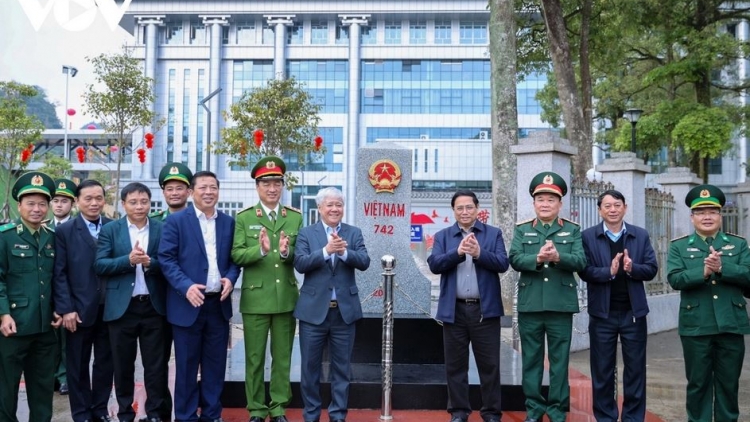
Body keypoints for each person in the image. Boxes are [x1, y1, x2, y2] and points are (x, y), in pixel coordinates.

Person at [159, 170, 241, 422]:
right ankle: (185, 416)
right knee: (186, 366)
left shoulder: (228, 222)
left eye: (213, 187)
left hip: (218, 305)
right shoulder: (176, 221)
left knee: (215, 365)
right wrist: (186, 287)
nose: (208, 192)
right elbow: (166, 258)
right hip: (187, 304)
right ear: (191, 192)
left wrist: (230, 277)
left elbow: (234, 260)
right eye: (203, 187)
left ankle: (211, 414)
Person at [667, 184, 750, 422]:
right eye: (701, 212)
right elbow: (674, 278)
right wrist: (702, 271)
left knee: (728, 384)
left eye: (712, 212)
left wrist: (723, 268)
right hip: (696, 326)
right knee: (698, 384)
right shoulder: (679, 246)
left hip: (730, 325)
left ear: (720, 215)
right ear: (692, 217)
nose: (707, 217)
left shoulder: (739, 244)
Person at [509, 172, 586, 422]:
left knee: (559, 362)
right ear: (534, 203)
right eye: (540, 199)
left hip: (560, 305)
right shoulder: (522, 230)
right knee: (530, 361)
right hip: (531, 305)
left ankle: (556, 410)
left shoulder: (572, 230)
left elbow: (581, 261)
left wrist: (558, 258)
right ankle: (533, 409)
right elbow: (515, 259)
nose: (545, 204)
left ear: (560, 204)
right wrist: (538, 259)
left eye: (551, 200)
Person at [427, 190, 509, 422]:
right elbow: (434, 264)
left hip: (485, 311)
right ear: (453, 210)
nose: (465, 211)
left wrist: (480, 253)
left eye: (469, 207)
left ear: (477, 208)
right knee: (455, 366)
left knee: (490, 365)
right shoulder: (443, 236)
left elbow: (503, 263)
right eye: (460, 208)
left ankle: (491, 412)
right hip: (454, 310)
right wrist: (459, 253)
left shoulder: (493, 234)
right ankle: (459, 411)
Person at [232, 156, 302, 422]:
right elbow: (236, 254)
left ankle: (279, 406)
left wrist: (287, 252)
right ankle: (257, 408)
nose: (272, 188)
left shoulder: (294, 217)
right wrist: (259, 250)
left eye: (277, 183)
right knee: (254, 357)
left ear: (282, 185)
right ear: (257, 186)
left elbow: (302, 254)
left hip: (285, 296)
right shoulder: (245, 217)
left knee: (282, 357)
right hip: (256, 298)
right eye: (266, 183)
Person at [94, 182, 172, 422]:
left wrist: (151, 263)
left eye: (144, 201)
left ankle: (156, 414)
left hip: (153, 306)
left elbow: (169, 262)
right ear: (123, 204)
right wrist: (127, 260)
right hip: (121, 308)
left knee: (156, 366)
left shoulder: (161, 228)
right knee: (122, 366)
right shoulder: (111, 230)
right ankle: (126, 413)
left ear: (150, 202)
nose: (139, 206)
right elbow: (100, 264)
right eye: (133, 202)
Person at [578, 190, 658, 422]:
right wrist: (609, 272)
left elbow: (652, 268)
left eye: (617, 205)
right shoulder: (588, 236)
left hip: (633, 314)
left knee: (635, 370)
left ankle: (633, 418)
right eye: (607, 206)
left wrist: (633, 268)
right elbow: (584, 270)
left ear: (625, 207)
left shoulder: (639, 235)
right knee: (602, 370)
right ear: (599, 210)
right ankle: (605, 417)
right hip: (603, 314)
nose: (612, 210)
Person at [293, 187, 371, 422]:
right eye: (330, 204)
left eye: (339, 204)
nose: (335, 208)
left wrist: (345, 253)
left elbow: (365, 261)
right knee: (309, 369)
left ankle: (338, 415)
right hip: (313, 313)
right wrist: (326, 251)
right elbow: (300, 263)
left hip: (344, 314)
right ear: (320, 208)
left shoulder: (353, 232)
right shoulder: (307, 233)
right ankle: (311, 415)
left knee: (342, 369)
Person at [0, 171, 62, 422]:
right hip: (13, 326)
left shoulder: (52, 238)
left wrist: (59, 307)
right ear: (19, 205)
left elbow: (56, 279)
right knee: (6, 389)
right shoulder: (6, 236)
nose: (37, 209)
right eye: (31, 204)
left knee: (43, 388)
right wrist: (3, 313)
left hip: (46, 326)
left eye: (42, 204)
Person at [53, 179, 115, 422]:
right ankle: (81, 413)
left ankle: (100, 410)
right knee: (77, 365)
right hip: (77, 312)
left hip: (110, 309)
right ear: (77, 201)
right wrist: (66, 308)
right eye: (87, 198)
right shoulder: (64, 231)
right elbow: (59, 273)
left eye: (98, 198)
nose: (94, 203)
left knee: (105, 364)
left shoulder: (114, 227)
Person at [51, 177, 77, 396]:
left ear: (73, 203)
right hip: (45, 292)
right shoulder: (43, 226)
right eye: (56, 201)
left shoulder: (76, 228)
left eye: (64, 201)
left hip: (68, 292)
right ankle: (51, 375)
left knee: (65, 340)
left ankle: (64, 376)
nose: (59, 205)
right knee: (48, 339)